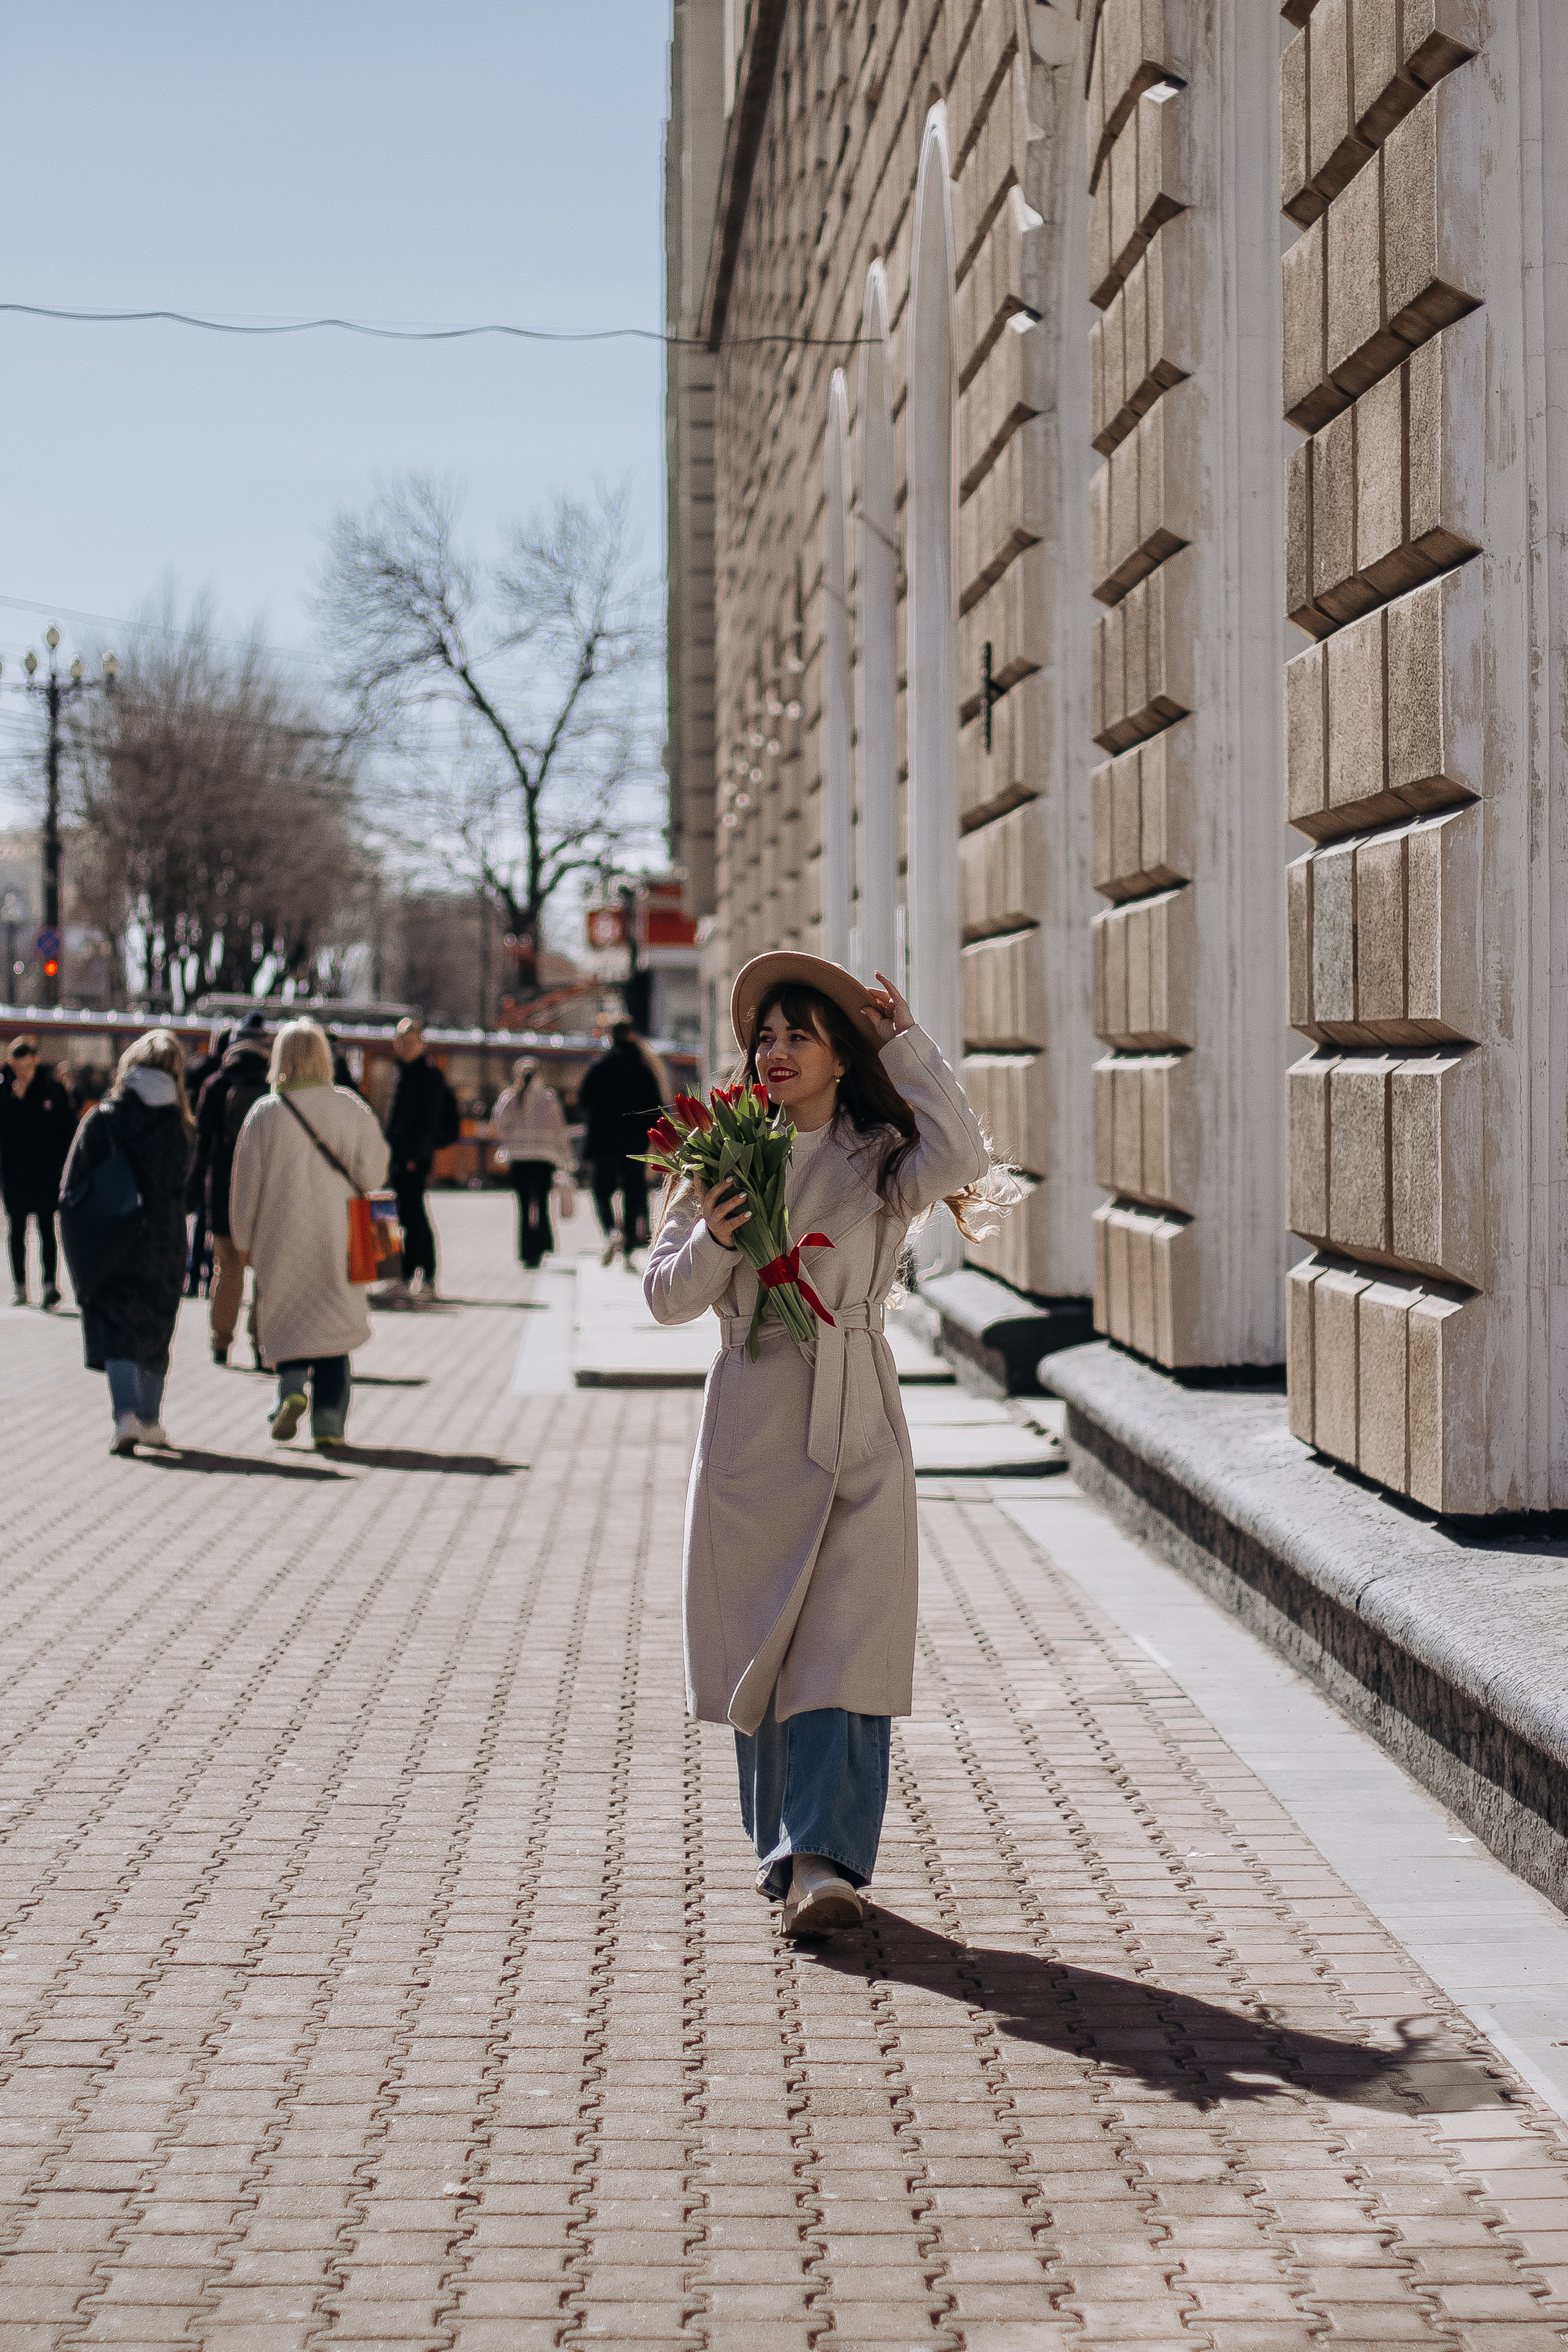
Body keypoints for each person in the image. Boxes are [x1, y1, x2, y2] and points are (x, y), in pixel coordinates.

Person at [644, 952, 1014, 1939]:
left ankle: (824, 1860)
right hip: (754, 1420)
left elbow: (965, 1154)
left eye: (798, 1034)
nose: (774, 1051)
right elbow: (665, 1295)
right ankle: (785, 1849)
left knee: (844, 1648)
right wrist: (718, 1238)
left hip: (856, 1418)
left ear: (839, 1056)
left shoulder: (882, 1158)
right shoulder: (720, 1156)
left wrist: (907, 1042)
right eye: (764, 1036)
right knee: (769, 1648)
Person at [228, 1019, 391, 1448]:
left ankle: (292, 1390)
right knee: (334, 1332)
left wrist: (243, 1240)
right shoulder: (350, 1107)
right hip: (341, 1234)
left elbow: (246, 1185)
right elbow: (374, 1173)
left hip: (278, 1235)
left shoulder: (265, 1113)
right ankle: (330, 1426)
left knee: (288, 1321)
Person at [58, 1028, 196, 1456]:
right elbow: (188, 1188)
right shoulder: (183, 1126)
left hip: (112, 1236)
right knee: (156, 1327)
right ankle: (152, 1419)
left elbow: (72, 1184)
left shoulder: (104, 1118)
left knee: (117, 1326)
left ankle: (126, 1417)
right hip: (167, 1240)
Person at [190, 1011, 271, 1366]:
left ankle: (221, 1342)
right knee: (265, 1272)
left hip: (224, 1188)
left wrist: (193, 1189)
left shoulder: (216, 1084)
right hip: (266, 1191)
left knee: (227, 1267)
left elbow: (201, 1144)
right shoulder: (274, 1085)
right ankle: (262, 1345)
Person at [578, 1020, 665, 1267]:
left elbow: (583, 1100)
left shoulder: (599, 1067)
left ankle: (611, 1231)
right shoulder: (642, 1069)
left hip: (603, 1142)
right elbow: (655, 1108)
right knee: (633, 1192)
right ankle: (628, 1248)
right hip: (634, 1143)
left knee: (601, 1191)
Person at [0, 1035, 76, 1308]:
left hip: (46, 1172)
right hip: (15, 1172)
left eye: (27, 1066)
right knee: (16, 1229)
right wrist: (14, 1102)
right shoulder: (4, 1089)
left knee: (47, 1229)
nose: (22, 1073)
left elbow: (68, 1127)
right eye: (17, 1067)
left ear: (36, 1061)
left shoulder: (52, 1089)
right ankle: (20, 1286)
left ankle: (49, 1285)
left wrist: (63, 1163)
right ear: (10, 1064)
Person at [490, 1056, 574, 1267]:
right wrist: (567, 1160)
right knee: (543, 1204)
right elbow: (559, 1130)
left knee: (525, 1205)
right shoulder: (549, 1098)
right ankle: (544, 1245)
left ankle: (527, 1251)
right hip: (544, 1160)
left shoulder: (510, 1097)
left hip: (519, 1160)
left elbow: (498, 1124)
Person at [385, 1017, 447, 1292]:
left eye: (407, 1041)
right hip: (402, 1156)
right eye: (400, 1040)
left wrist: (414, 1156)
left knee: (413, 1217)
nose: (401, 1046)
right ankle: (412, 1274)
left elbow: (428, 1122)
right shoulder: (406, 1072)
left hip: (412, 1159)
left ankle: (418, 1275)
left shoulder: (426, 1075)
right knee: (409, 1216)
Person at [181, 1023, 230, 1296]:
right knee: (217, 1220)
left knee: (200, 1218)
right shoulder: (229, 1076)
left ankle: (191, 1276)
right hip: (223, 1156)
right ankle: (212, 1273)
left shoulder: (202, 1071)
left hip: (203, 1155)